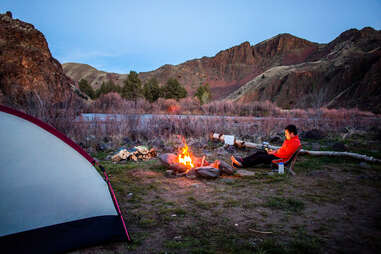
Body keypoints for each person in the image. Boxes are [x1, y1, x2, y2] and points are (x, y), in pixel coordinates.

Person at [231, 125, 301, 168]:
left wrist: (273, 153)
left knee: (260, 157)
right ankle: (242, 160)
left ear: (292, 133)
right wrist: (273, 151)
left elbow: (285, 155)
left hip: (280, 159)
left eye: (286, 134)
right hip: (278, 155)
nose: (285, 135)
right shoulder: (291, 140)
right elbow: (283, 150)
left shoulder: (294, 142)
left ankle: (243, 164)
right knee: (260, 152)